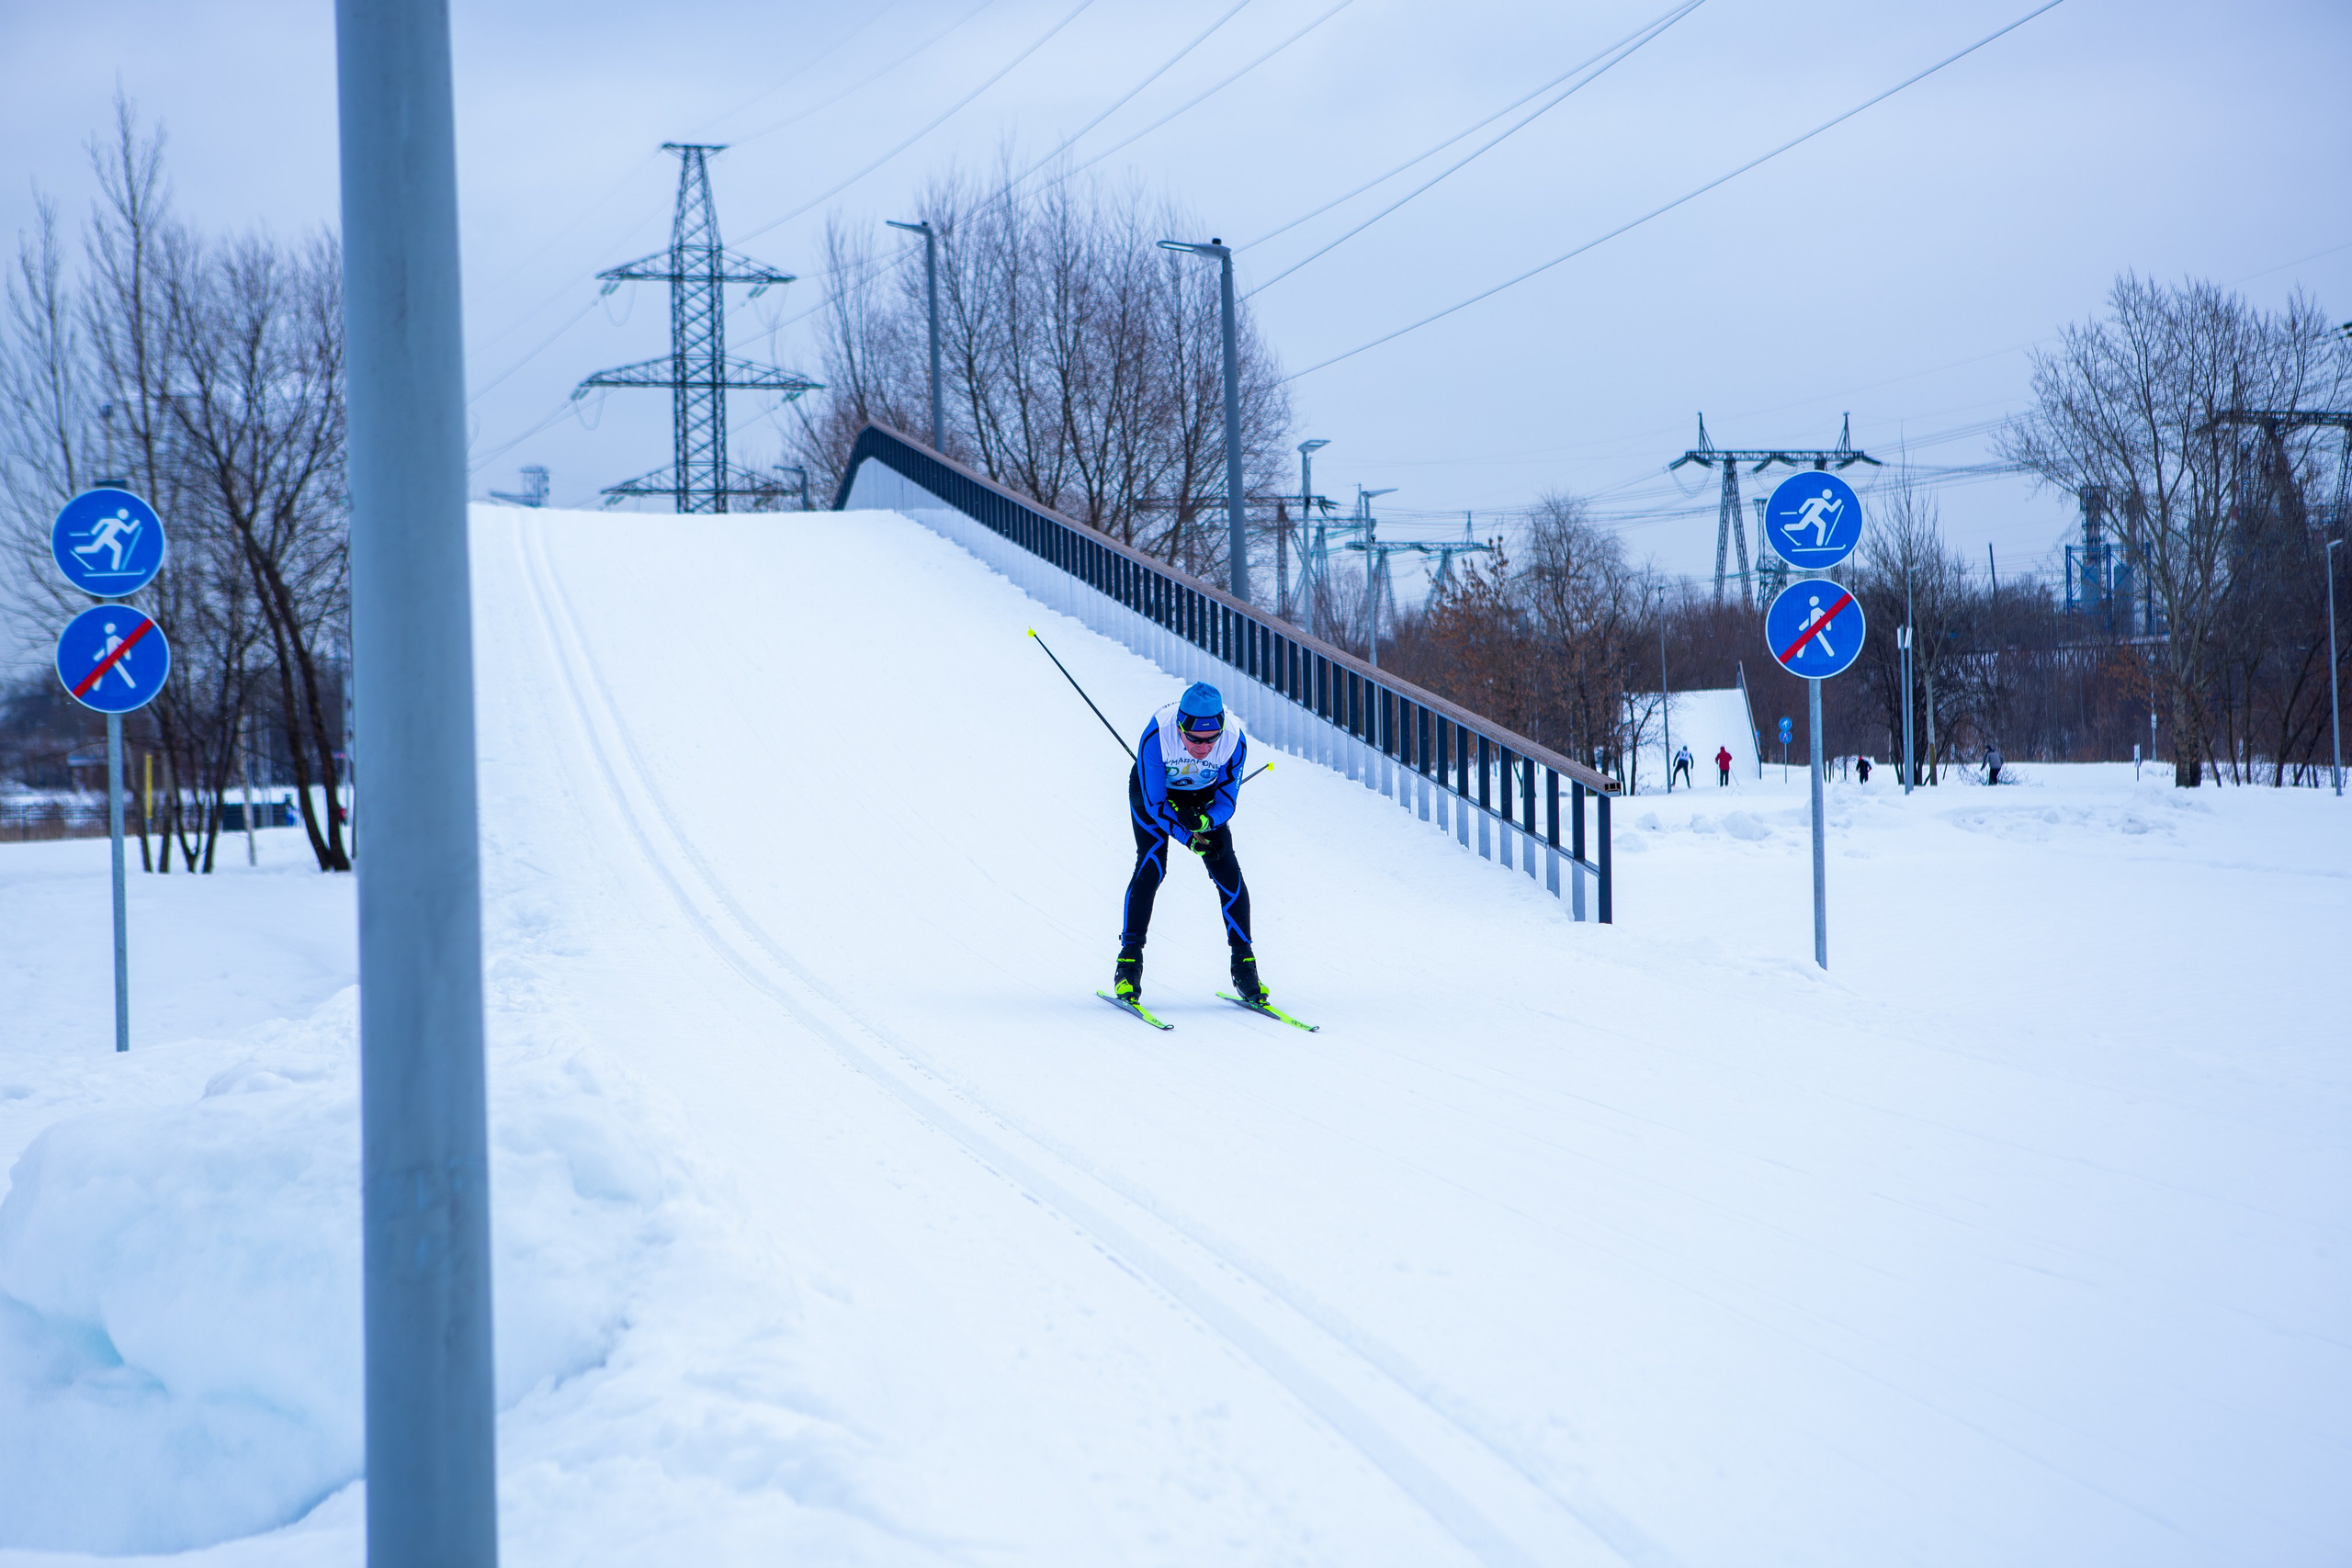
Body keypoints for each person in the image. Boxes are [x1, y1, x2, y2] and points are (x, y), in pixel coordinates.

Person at [1114, 682, 1265, 1007]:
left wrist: (1205, 823)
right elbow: (1156, 806)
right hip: (1153, 792)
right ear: (1180, 727)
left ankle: (1244, 965)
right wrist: (1188, 838)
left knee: (1227, 870)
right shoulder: (1158, 734)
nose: (1203, 747)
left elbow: (1227, 801)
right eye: (1194, 739)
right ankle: (1128, 962)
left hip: (1202, 799)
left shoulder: (1234, 740)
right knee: (1152, 864)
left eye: (1211, 739)